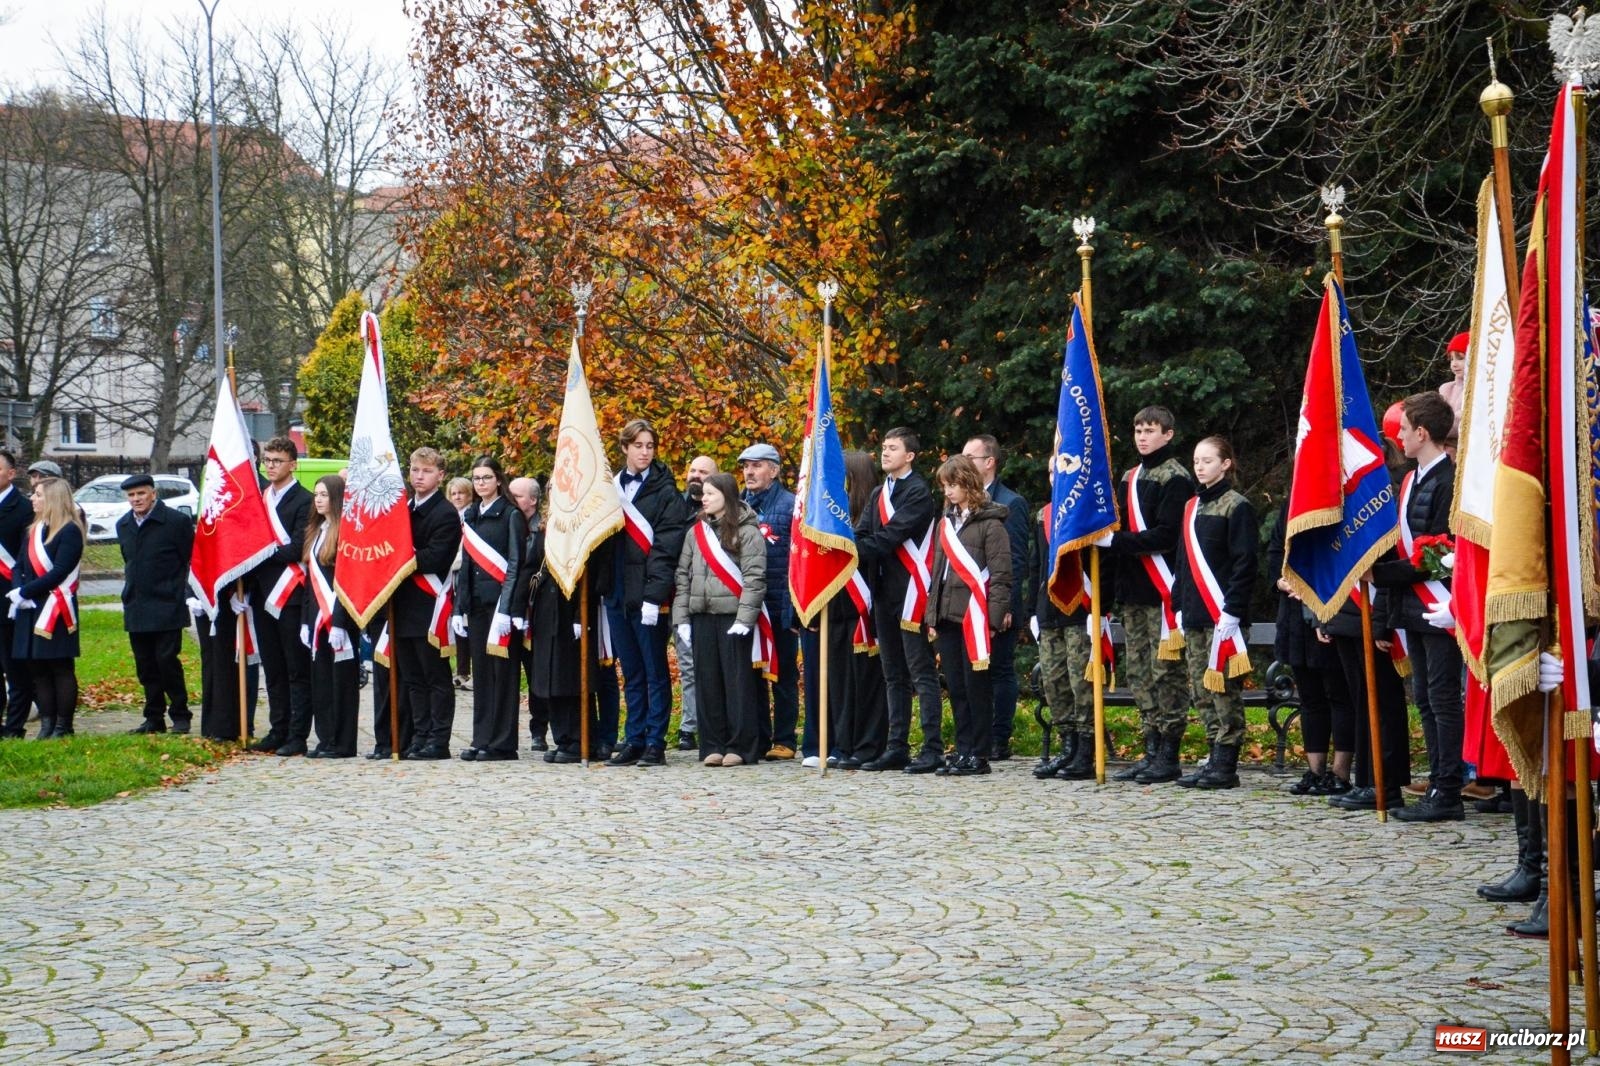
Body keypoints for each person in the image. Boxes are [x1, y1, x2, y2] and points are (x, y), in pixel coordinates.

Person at [1372, 391, 1465, 823]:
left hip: (1440, 603)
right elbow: (1404, 544)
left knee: (1443, 699)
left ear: (1423, 433)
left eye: (1405, 429)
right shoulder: (1411, 480)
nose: (1400, 437)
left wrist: (1381, 576)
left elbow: (1442, 553)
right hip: (1412, 605)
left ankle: (1449, 790)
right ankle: (1438, 782)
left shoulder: (1450, 481)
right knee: (1425, 699)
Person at [1095, 406, 1193, 783]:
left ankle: (1169, 753)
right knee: (1139, 673)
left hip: (1162, 590)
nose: (1142, 437)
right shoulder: (1129, 476)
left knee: (1165, 672)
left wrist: (1116, 541)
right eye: (1138, 430)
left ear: (1168, 435)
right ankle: (1150, 749)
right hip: (1133, 589)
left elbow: (1167, 535)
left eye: (1150, 430)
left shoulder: (1176, 477)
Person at [855, 428, 944, 773]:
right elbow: (865, 531)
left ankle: (932, 747)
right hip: (883, 591)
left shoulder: (918, 491)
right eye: (883, 447)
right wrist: (848, 545)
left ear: (910, 456)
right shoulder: (879, 492)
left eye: (893, 448)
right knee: (892, 673)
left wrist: (852, 551)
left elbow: (893, 535)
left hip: (911, 591)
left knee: (920, 671)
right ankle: (897, 746)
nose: (885, 452)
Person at [1172, 436, 1258, 791]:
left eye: (1207, 461)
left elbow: (1244, 563)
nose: (1200, 467)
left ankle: (1226, 763)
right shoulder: (1191, 507)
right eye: (1196, 461)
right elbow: (1182, 561)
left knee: (1224, 689)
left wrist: (1233, 610)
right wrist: (1177, 605)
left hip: (1223, 616)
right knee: (1201, 690)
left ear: (1226, 464)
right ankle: (1212, 755)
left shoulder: (1237, 506)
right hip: (1193, 613)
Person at [603, 420, 690, 767]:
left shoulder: (666, 492)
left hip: (648, 595)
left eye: (650, 446)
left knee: (654, 671)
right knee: (631, 671)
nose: (644, 452)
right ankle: (634, 738)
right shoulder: (610, 488)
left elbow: (666, 548)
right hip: (616, 591)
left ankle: (655, 741)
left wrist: (654, 597)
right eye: (638, 445)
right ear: (625, 447)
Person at [924, 455, 1012, 776]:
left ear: (968, 483)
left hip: (975, 618)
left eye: (953, 485)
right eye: (944, 486)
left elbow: (1001, 577)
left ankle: (980, 753)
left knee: (977, 688)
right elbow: (937, 572)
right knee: (957, 687)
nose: (948, 491)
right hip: (947, 615)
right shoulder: (946, 523)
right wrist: (931, 614)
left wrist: (993, 620)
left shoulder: (992, 524)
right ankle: (963, 750)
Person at [674, 472, 767, 766]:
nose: (704, 499)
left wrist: (745, 619)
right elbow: (683, 576)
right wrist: (682, 618)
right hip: (702, 617)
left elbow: (754, 578)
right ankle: (712, 744)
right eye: (704, 494)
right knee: (708, 683)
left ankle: (740, 746)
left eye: (710, 494)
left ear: (727, 496)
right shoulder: (695, 533)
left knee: (737, 684)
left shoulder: (748, 532)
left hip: (733, 618)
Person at [504, 476, 598, 763]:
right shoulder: (548, 528)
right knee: (550, 679)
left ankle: (581, 739)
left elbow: (589, 573)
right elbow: (530, 568)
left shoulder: (583, 527)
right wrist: (518, 609)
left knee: (571, 679)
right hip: (546, 609)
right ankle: (563, 738)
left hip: (572, 610)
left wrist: (581, 615)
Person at [1266, 498, 1353, 795]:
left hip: (1330, 607)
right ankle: (1315, 771)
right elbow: (1276, 551)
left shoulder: (1339, 501)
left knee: (1339, 695)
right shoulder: (1291, 504)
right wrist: (1282, 582)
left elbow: (1338, 553)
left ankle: (1340, 773)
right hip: (1294, 615)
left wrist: (1313, 589)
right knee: (1310, 698)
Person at [960, 435, 1030, 760]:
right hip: (968, 604)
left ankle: (999, 738)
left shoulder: (1011, 502)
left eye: (970, 458)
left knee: (999, 670)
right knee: (975, 672)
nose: (963, 463)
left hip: (998, 602)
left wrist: (1005, 606)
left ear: (989, 462)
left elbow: (1015, 560)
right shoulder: (961, 502)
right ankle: (977, 737)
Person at [246, 437, 314, 756]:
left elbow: (297, 548)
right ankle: (278, 729)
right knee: (272, 667)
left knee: (295, 667)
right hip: (262, 593)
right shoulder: (259, 499)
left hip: (291, 593)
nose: (270, 466)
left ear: (293, 465)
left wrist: (260, 553)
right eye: (267, 460)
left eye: (277, 461)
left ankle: (297, 735)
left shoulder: (305, 500)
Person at [393, 448, 462, 760]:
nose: (419, 476)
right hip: (403, 603)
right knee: (412, 677)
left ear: (440, 476)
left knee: (435, 676)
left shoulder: (444, 513)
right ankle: (420, 735)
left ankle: (438, 739)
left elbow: (436, 557)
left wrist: (400, 556)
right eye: (415, 470)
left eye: (426, 471)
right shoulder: (404, 509)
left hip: (429, 604)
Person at [453, 457, 521, 761]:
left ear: (498, 480)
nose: (481, 483)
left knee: (502, 675)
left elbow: (515, 564)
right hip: (478, 605)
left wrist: (507, 608)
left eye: (486, 477)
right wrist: (459, 607)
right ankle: (481, 738)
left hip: (500, 608)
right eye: (477, 478)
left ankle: (503, 743)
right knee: (481, 674)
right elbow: (467, 563)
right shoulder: (472, 514)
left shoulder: (510, 514)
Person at [823, 451, 888, 770]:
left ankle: (868, 744)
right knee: (840, 682)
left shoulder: (872, 512)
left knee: (865, 682)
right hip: (835, 608)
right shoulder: (832, 516)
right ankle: (844, 743)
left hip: (863, 610)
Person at [116, 473, 193, 735]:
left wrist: (181, 592)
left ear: (153, 494)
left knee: (166, 661)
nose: (136, 499)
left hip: (167, 605)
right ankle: (153, 717)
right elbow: (129, 560)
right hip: (136, 605)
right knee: (145, 665)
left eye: (141, 493)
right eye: (131, 495)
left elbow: (189, 559)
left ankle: (180, 715)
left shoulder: (176, 522)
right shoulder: (123, 524)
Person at [737, 443, 799, 760]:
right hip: (748, 606)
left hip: (779, 603)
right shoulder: (736, 507)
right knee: (752, 673)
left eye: (757, 465)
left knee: (784, 674)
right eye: (746, 466)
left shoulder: (790, 506)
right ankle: (759, 737)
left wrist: (793, 607)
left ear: (773, 471)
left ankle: (785, 739)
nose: (749, 472)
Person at [1031, 526, 1108, 783]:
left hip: (1080, 610)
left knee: (1080, 683)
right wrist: (1032, 609)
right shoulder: (1044, 515)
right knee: (1053, 682)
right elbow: (1037, 564)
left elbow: (1103, 561)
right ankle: (1067, 746)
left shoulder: (1085, 512)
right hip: (1048, 609)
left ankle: (1085, 749)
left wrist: (1103, 606)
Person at [10, 477, 83, 738]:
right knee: (37, 668)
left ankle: (64, 726)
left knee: (59, 667)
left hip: (55, 606)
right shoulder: (33, 529)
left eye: (38, 494)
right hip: (30, 606)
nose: (32, 498)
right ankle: (47, 725)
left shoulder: (69, 531)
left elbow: (60, 571)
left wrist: (25, 591)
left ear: (53, 498)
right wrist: (19, 590)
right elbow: (19, 565)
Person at [299, 475, 359, 757]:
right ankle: (325, 739)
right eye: (316, 495)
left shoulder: (346, 533)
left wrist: (339, 623)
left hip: (339, 619)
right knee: (321, 681)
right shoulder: (316, 530)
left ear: (336, 498)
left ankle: (342, 743)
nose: (318, 500)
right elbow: (309, 582)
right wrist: (304, 621)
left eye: (324, 495)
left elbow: (348, 582)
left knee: (341, 682)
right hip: (316, 618)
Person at [675, 454, 717, 751]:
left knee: (711, 666)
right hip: (678, 595)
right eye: (692, 470)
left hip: (711, 597)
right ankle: (688, 726)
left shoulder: (721, 511)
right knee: (687, 665)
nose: (696, 475)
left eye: (703, 471)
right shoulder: (675, 507)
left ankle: (711, 725)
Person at [0, 450, 35, 738]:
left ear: (11, 474)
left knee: (15, 668)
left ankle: (14, 726)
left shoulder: (24, 509)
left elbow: (28, 557)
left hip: (9, 600)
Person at [447, 475, 475, 693]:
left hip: (464, 572)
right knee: (458, 624)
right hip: (452, 576)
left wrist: (446, 564)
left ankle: (473, 672)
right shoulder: (450, 517)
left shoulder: (471, 516)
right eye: (453, 493)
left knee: (468, 622)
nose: (457, 497)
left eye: (461, 493)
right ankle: (462, 670)